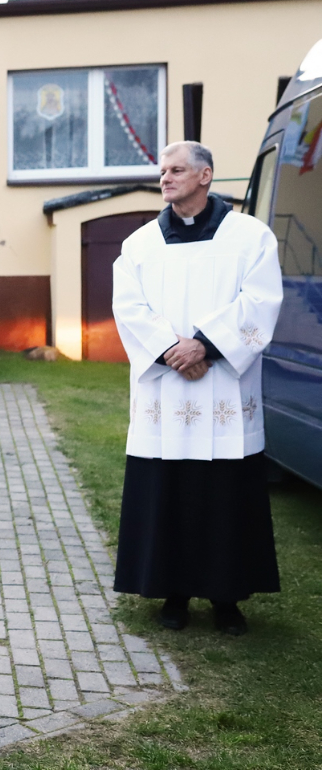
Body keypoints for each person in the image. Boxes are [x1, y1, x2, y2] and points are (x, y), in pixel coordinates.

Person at [112, 141, 283, 636]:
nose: (165, 178)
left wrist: (205, 345)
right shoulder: (140, 243)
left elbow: (262, 300)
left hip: (224, 391)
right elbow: (129, 307)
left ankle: (227, 597)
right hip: (167, 394)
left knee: (226, 496)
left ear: (206, 175)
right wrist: (173, 349)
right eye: (162, 171)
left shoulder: (251, 237)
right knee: (169, 492)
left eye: (177, 170)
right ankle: (174, 593)